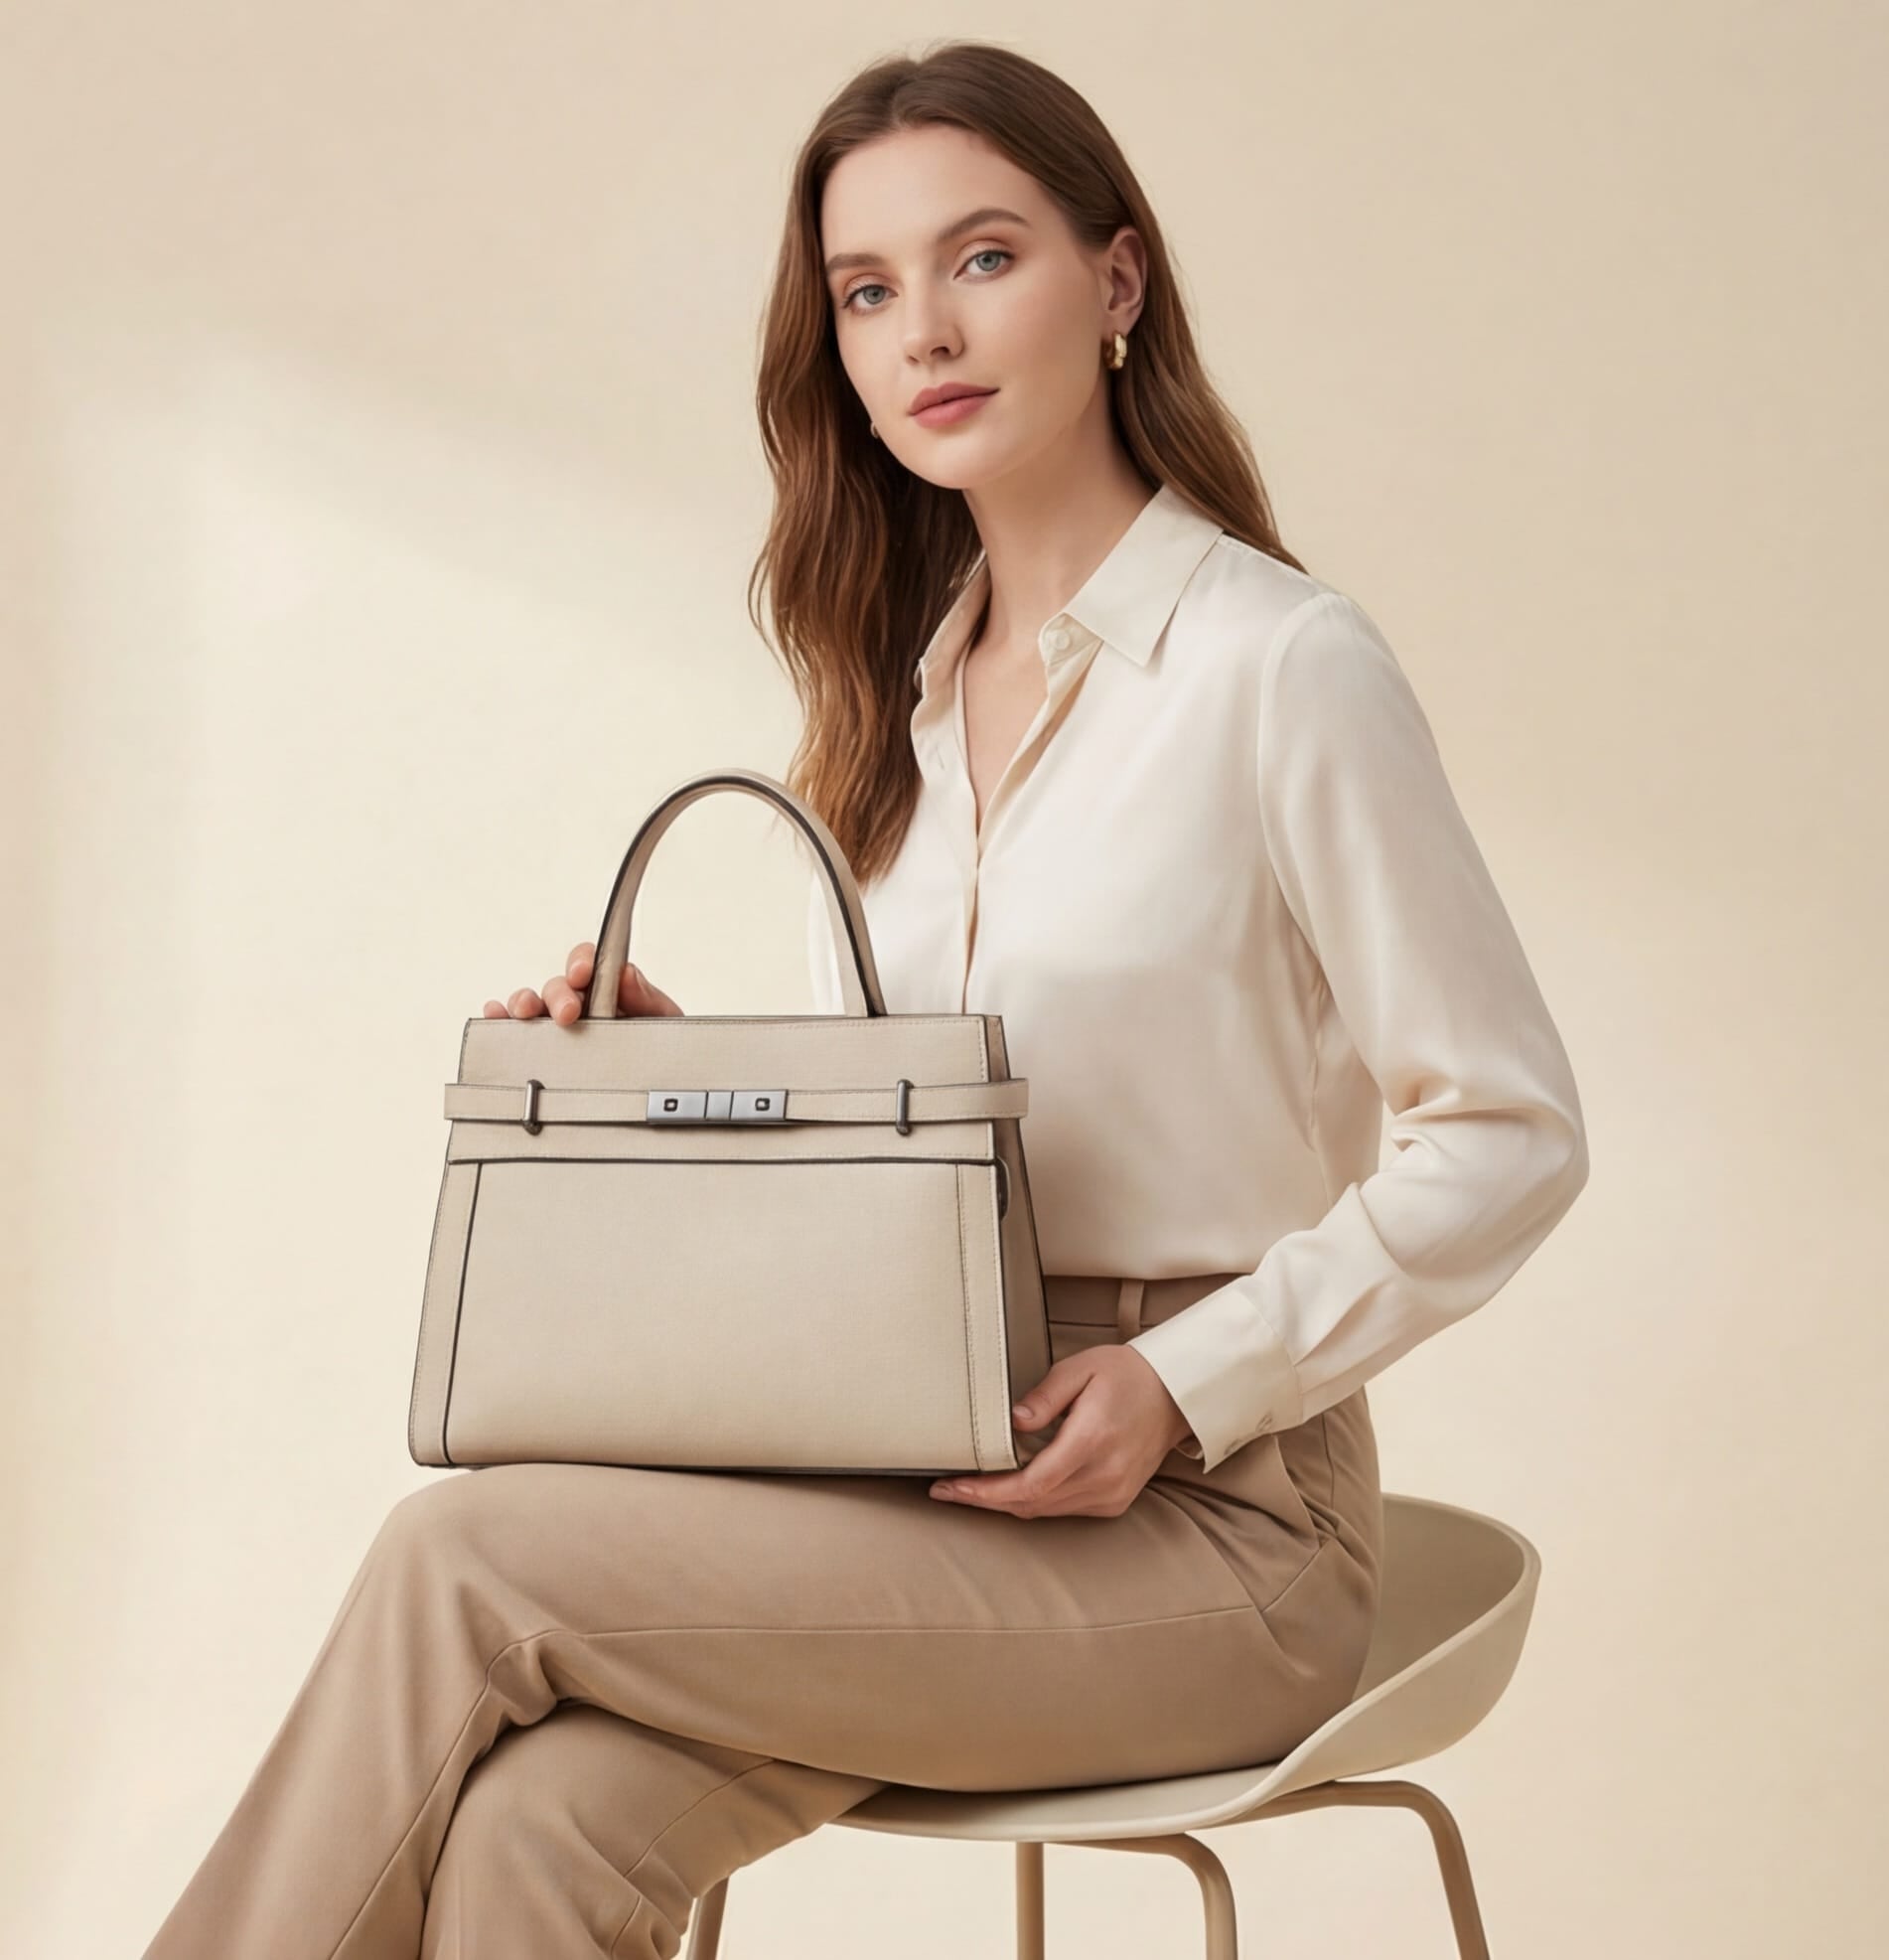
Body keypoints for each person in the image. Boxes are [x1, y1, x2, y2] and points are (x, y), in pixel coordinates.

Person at [140, 38, 1588, 1960]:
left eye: (982, 257)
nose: (924, 330)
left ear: (1118, 279)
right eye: (867, 291)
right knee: (536, 1829)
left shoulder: (1277, 667)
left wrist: (1185, 1379)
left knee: (463, 1549)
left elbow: (1509, 1130)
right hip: (912, 1467)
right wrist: (696, 1076)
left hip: (1222, 1533)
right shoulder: (901, 711)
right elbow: (934, 1134)